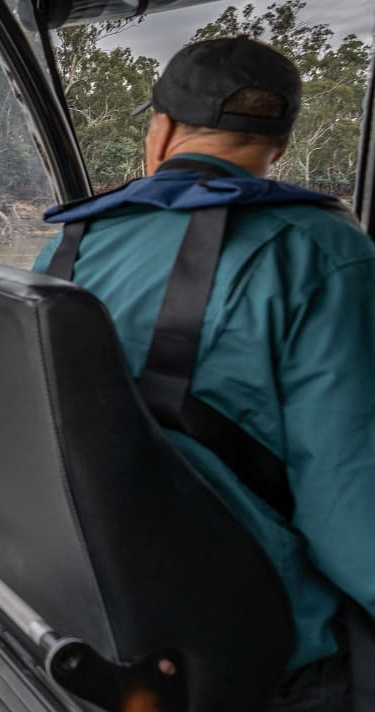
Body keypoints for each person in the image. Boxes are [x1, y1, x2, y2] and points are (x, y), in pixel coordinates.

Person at [33, 36, 375, 710]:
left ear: (160, 133)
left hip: (86, 614)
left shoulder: (69, 244)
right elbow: (353, 517)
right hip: (260, 646)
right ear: (278, 146)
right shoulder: (323, 252)